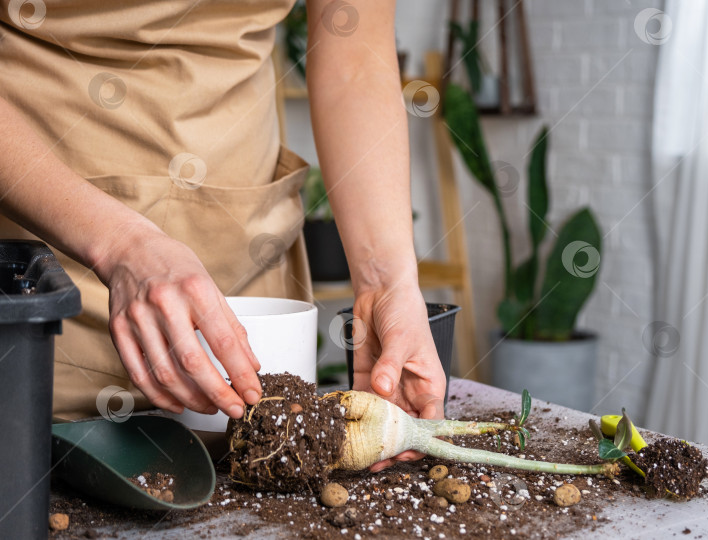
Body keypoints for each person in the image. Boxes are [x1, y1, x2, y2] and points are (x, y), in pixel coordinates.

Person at [0, 0, 445, 469]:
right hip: (42, 291)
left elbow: (355, 62)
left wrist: (385, 283)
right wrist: (118, 242)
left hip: (246, 258)